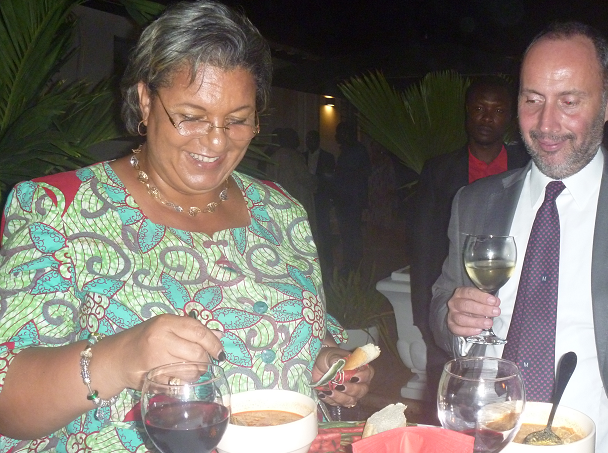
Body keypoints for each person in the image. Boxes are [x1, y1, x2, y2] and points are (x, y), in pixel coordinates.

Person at [0, 2, 373, 451]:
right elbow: (7, 401)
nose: (216, 140)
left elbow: (305, 329)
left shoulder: (280, 210)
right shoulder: (56, 209)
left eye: (237, 120)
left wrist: (326, 362)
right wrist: (118, 358)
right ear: (145, 100)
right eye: (192, 116)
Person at [430, 21, 608, 452]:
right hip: (489, 440)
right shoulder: (474, 202)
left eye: (569, 101)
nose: (546, 123)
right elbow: (443, 302)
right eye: (532, 99)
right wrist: (452, 319)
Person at [410, 75, 529, 418]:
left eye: (498, 110)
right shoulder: (439, 170)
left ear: (510, 117)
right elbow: (423, 247)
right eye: (479, 108)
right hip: (452, 306)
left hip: (509, 310)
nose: (487, 118)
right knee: (449, 401)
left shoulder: (527, 168)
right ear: (467, 112)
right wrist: (429, 316)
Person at [332, 121, 370, 274]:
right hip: (345, 199)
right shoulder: (348, 150)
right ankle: (349, 265)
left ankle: (354, 266)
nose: (337, 136)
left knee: (352, 234)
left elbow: (353, 176)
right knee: (346, 234)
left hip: (351, 199)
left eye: (340, 133)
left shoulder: (356, 151)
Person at [303, 130, 336, 276]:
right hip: (306, 198)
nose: (309, 141)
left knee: (323, 230)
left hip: (321, 199)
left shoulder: (327, 157)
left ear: (318, 140)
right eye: (308, 139)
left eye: (312, 139)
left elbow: (330, 179)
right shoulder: (301, 156)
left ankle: (327, 263)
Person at [267, 127, 317, 218]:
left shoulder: (273, 157)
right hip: (297, 202)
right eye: (296, 138)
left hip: (279, 202)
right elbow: (305, 178)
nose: (298, 141)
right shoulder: (295, 157)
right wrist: (318, 182)